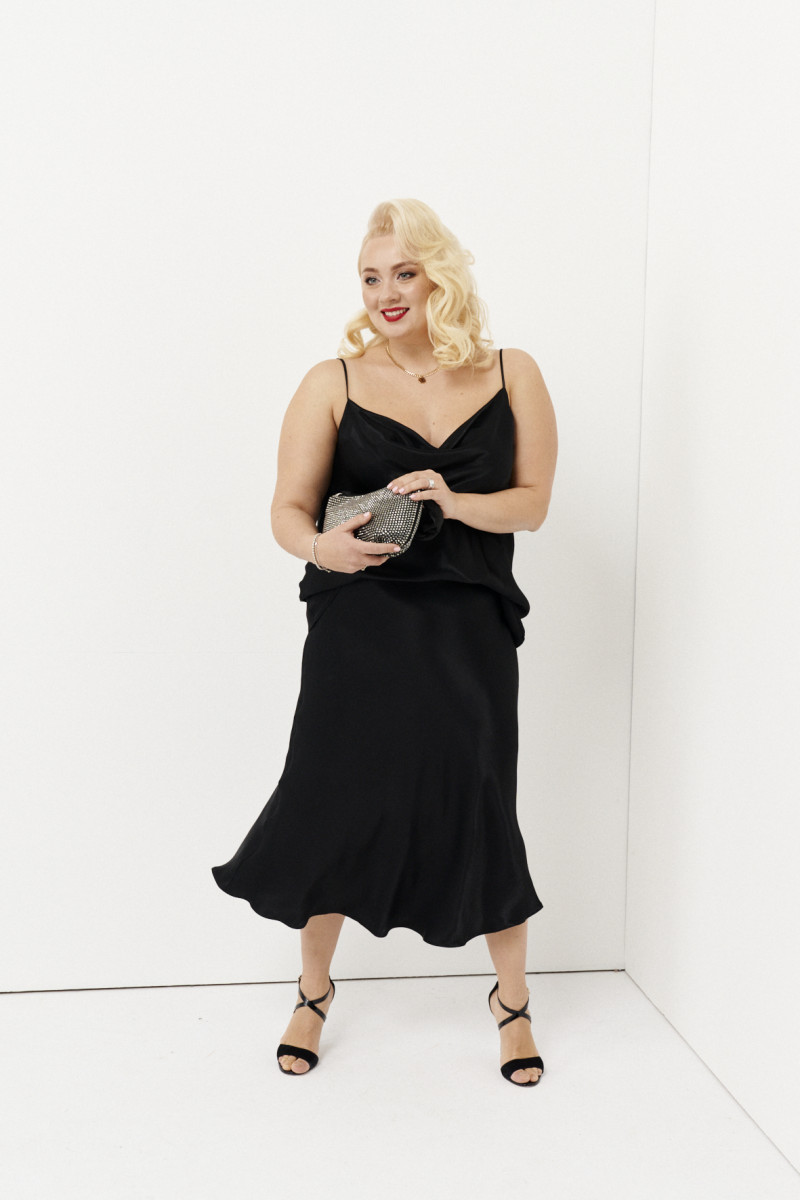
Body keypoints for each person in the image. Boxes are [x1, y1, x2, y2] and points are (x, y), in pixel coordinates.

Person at [212, 198, 558, 1087]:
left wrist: (453, 502)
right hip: (359, 624)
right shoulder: (332, 381)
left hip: (469, 624)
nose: (386, 292)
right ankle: (312, 991)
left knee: (480, 796)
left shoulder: (512, 372)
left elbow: (532, 503)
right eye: (370, 277)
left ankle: (512, 1002)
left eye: (404, 272)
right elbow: (287, 512)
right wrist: (319, 548)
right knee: (331, 797)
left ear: (441, 275)